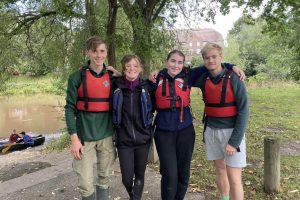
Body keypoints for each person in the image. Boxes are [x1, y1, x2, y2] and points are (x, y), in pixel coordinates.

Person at [148, 50, 245, 200]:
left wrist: (232, 66)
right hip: (163, 131)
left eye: (180, 62)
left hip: (185, 131)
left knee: (184, 174)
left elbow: (213, 64)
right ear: (167, 61)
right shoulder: (156, 79)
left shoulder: (189, 74)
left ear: (184, 64)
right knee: (169, 174)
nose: (176, 65)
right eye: (173, 61)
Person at [194, 43, 249, 200]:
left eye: (214, 57)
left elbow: (244, 112)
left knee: (234, 178)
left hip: (231, 133)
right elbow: (178, 74)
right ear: (203, 60)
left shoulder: (234, 78)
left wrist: (234, 142)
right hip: (211, 131)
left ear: (221, 57)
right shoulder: (203, 79)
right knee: (220, 170)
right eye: (207, 58)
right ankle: (224, 198)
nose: (211, 60)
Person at [65, 36, 116, 200]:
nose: (99, 55)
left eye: (102, 51)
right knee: (85, 183)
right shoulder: (76, 77)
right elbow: (69, 109)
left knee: (104, 176)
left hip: (106, 135)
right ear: (88, 52)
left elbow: (134, 82)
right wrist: (73, 138)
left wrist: (120, 73)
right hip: (84, 137)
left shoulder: (113, 77)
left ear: (106, 52)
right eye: (94, 51)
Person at [112, 54, 154, 200]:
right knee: (127, 179)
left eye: (135, 66)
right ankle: (133, 195)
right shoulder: (116, 85)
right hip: (124, 141)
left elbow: (167, 77)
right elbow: (98, 74)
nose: (132, 68)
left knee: (140, 176)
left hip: (143, 139)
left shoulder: (147, 87)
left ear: (140, 69)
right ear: (123, 69)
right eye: (128, 66)